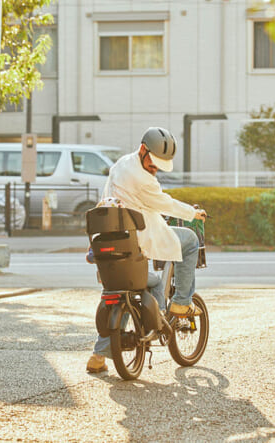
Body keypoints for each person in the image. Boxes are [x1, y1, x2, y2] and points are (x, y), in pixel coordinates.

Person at [87, 127, 208, 373]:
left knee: (123, 289)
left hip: (110, 242)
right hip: (136, 239)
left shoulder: (121, 165)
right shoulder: (143, 179)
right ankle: (182, 302)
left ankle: (98, 358)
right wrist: (192, 213)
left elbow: (143, 199)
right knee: (190, 240)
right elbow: (162, 202)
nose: (154, 170)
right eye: (153, 165)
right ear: (143, 150)